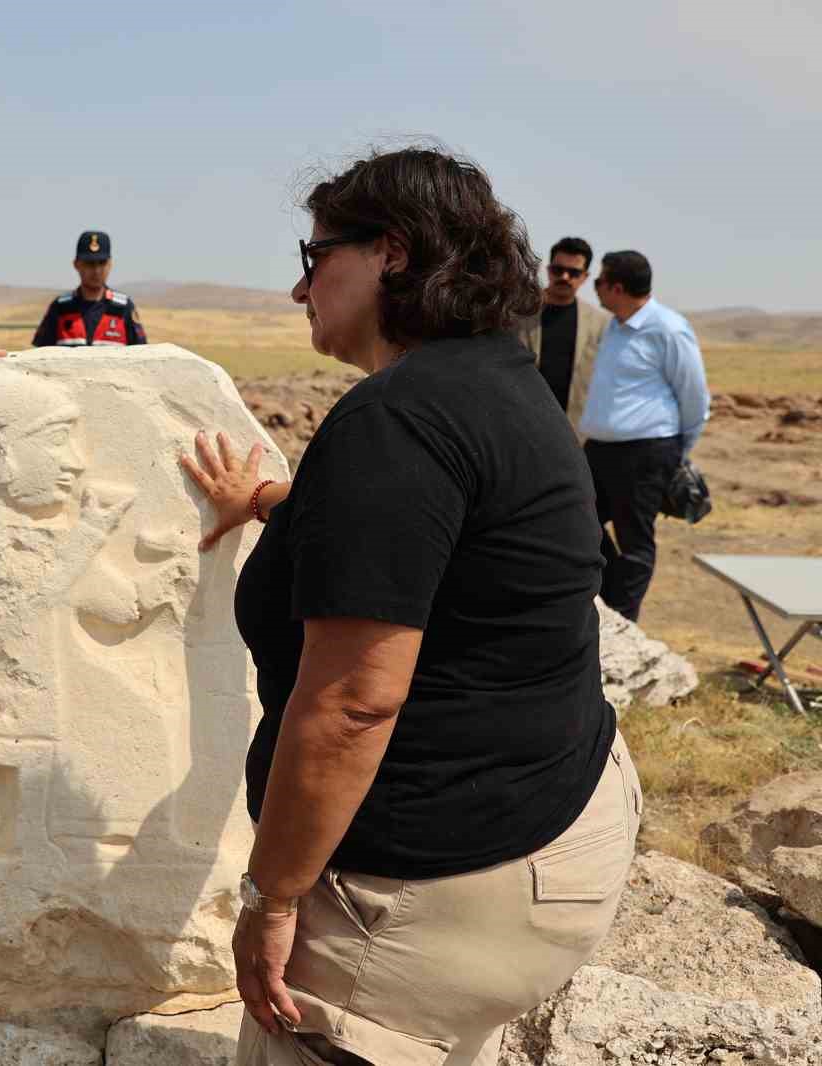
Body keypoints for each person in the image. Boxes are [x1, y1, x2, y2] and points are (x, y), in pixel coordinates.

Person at [180, 148, 641, 1066]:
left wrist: (272, 898)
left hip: (430, 894)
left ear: (389, 252)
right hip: (559, 819)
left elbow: (355, 702)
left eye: (315, 258)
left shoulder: (397, 420)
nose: (298, 288)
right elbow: (429, 544)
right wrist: (267, 503)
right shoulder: (498, 381)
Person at [580, 250, 710, 622]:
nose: (596, 289)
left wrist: (678, 452)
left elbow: (694, 395)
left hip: (647, 452)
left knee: (634, 539)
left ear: (617, 287)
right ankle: (608, 597)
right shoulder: (615, 327)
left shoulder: (667, 329)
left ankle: (623, 621)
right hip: (600, 450)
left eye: (599, 282)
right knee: (579, 520)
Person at [514, 237, 608, 434]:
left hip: (574, 433)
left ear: (584, 277)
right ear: (548, 270)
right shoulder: (518, 313)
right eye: (558, 270)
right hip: (522, 427)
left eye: (573, 273)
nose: (564, 277)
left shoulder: (600, 324)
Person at [31, 230, 148, 348]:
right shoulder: (60, 308)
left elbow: (141, 353)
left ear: (110, 264)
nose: (96, 271)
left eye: (102, 263)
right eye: (89, 263)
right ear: (76, 264)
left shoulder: (123, 308)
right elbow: (41, 355)